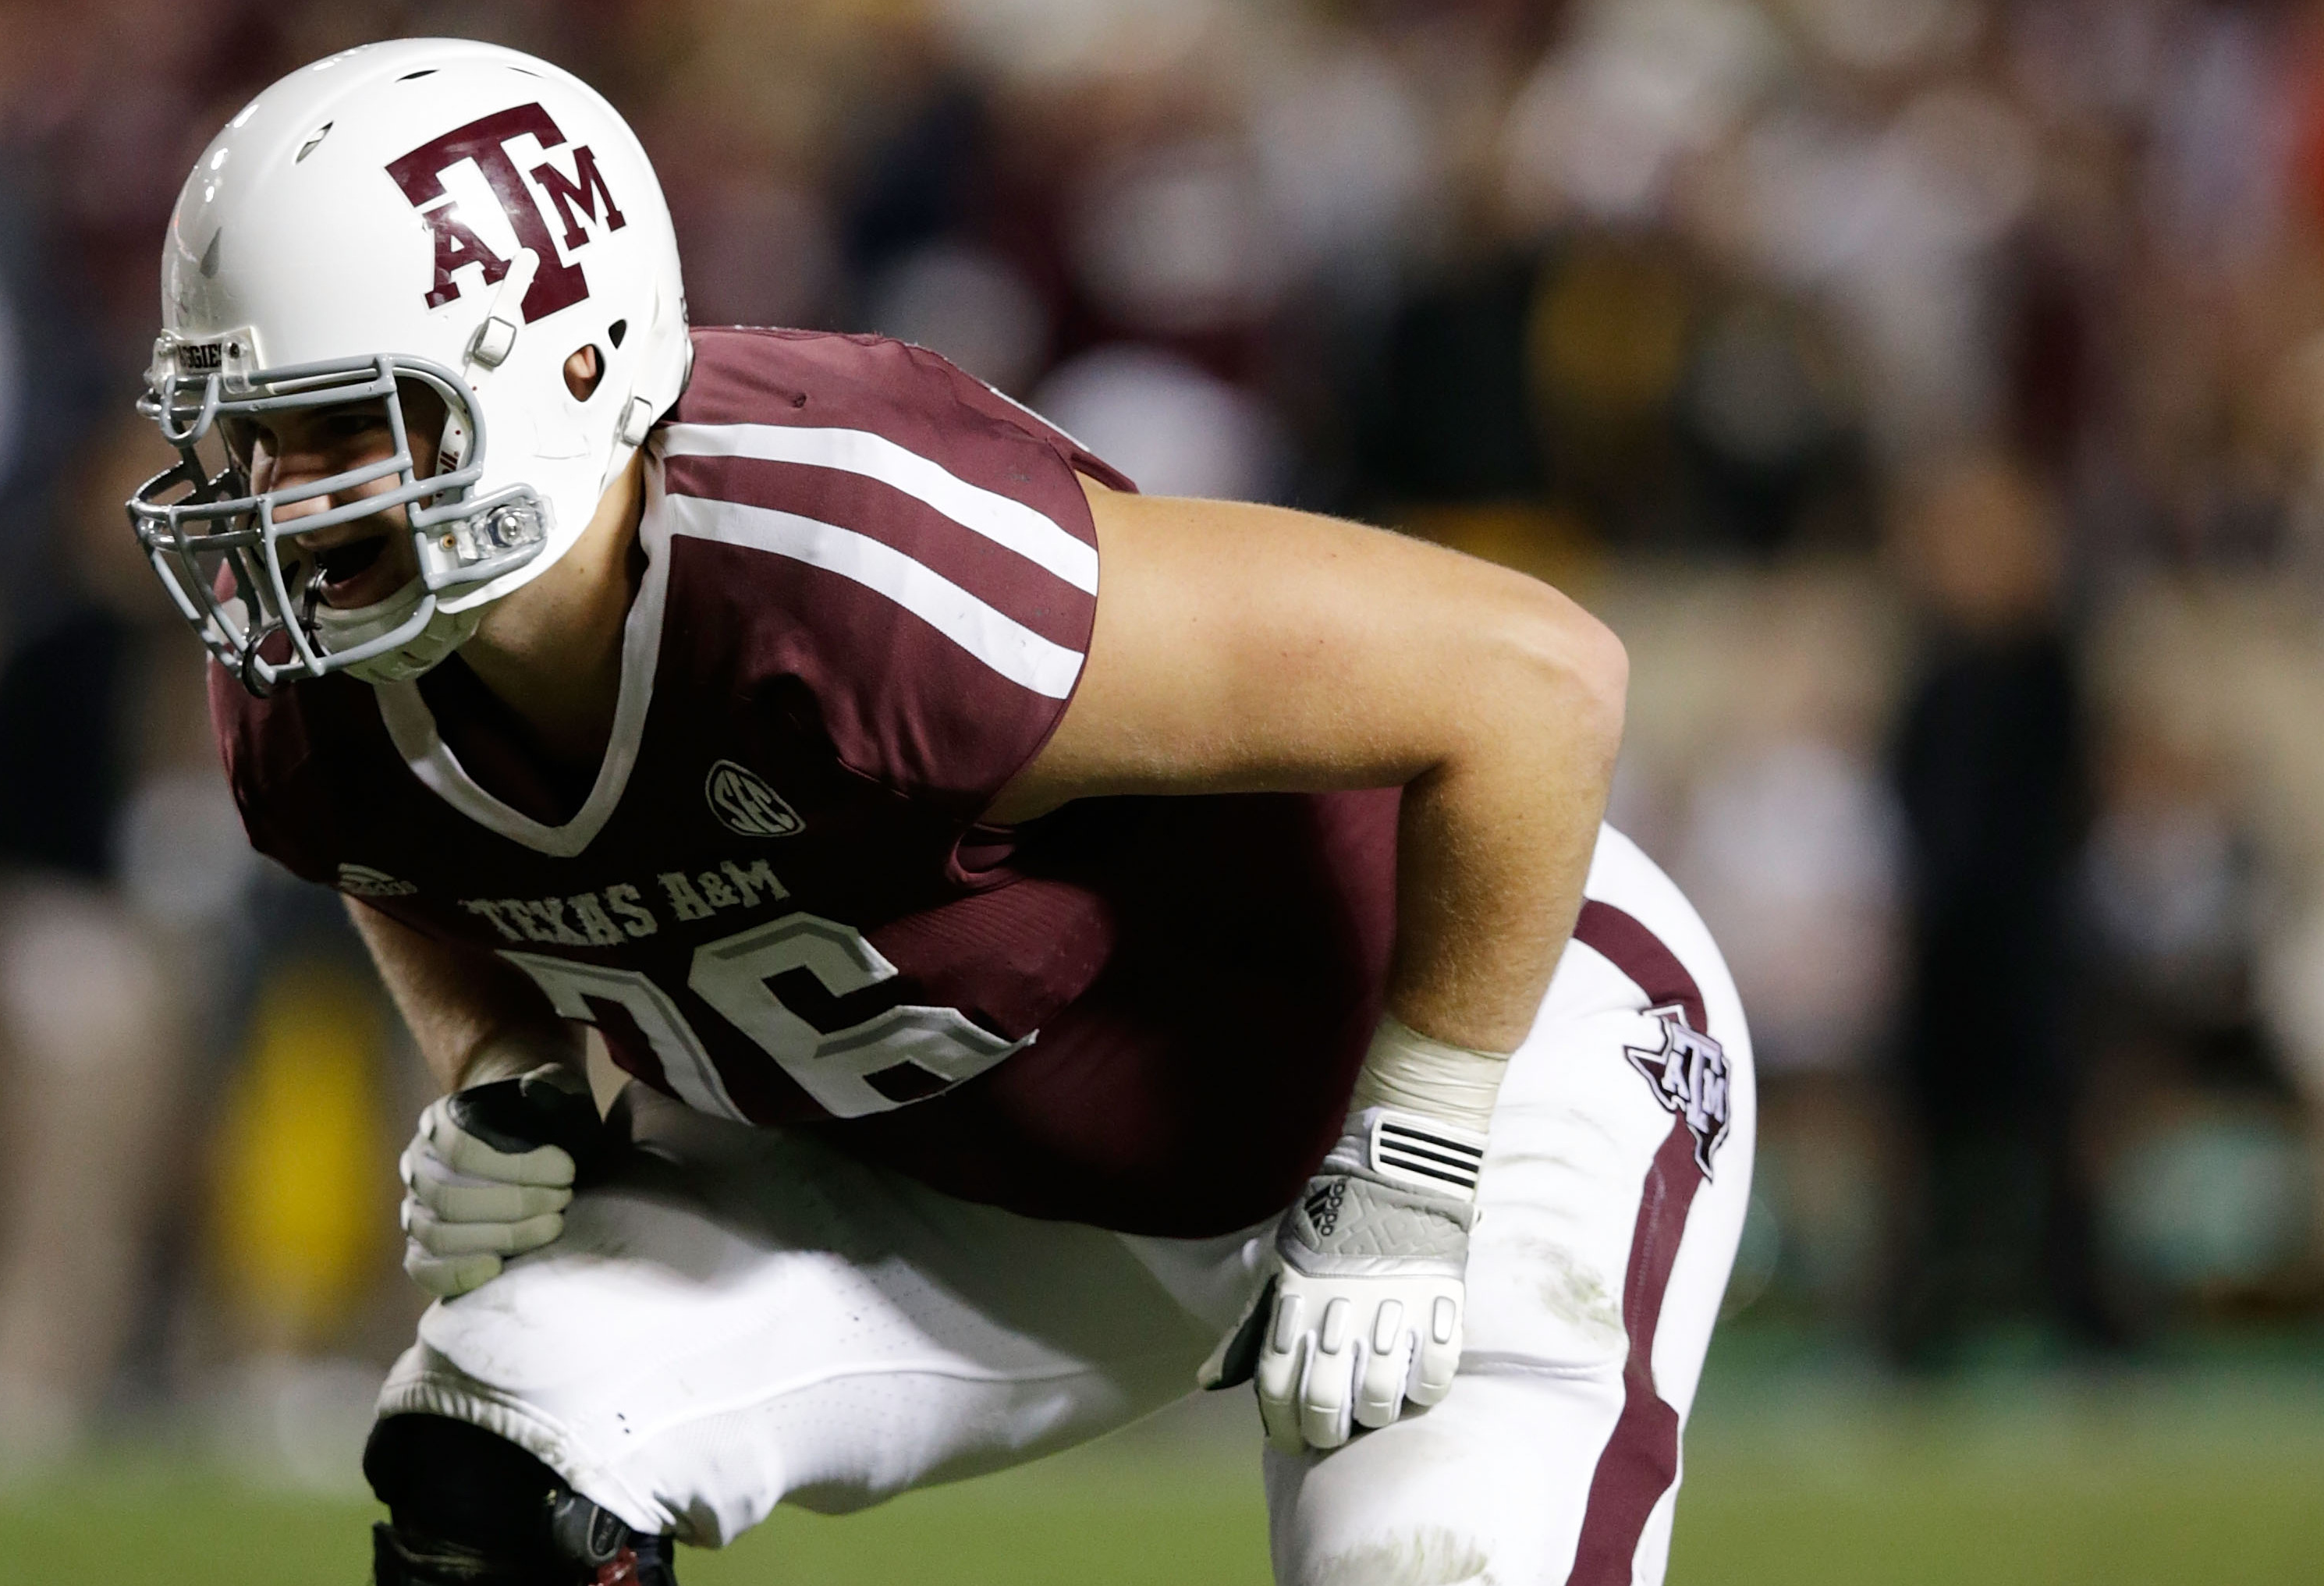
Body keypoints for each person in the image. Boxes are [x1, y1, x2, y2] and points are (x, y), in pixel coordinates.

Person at [128, 39, 1752, 1586]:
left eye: (338, 427)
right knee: (498, 1443)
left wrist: (1414, 1148)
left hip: (1450, 1055)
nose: (274, 505)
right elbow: (402, 843)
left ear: (565, 360)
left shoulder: (852, 573)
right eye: (244, 437)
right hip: (999, 1169)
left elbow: (1531, 680)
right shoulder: (319, 673)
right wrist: (505, 1060)